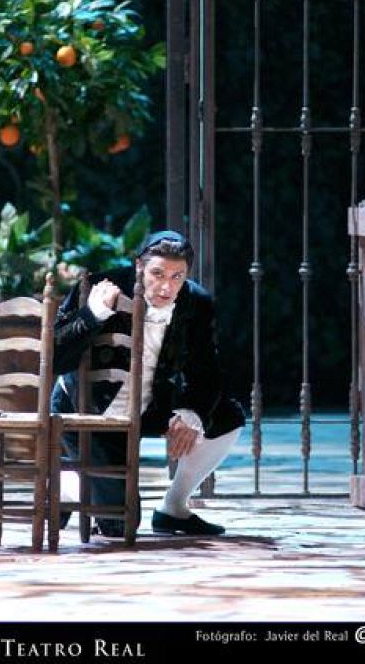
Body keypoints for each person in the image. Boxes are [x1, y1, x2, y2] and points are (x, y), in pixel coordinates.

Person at [51, 230, 245, 537]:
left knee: (227, 416)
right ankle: (68, 485)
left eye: (177, 276)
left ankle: (174, 508)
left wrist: (190, 414)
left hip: (149, 407)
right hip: (90, 411)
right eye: (158, 274)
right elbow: (54, 358)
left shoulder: (196, 302)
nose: (167, 286)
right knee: (119, 524)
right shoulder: (98, 286)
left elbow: (207, 371)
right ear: (139, 266)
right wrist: (94, 314)